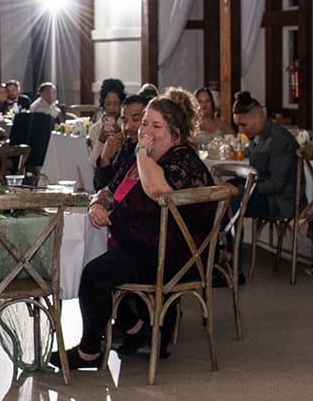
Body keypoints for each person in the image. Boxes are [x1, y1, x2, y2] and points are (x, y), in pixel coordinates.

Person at [63, 89, 215, 366]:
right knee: (99, 260)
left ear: (176, 134)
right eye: (145, 124)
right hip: (144, 247)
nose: (145, 131)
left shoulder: (182, 161)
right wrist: (97, 204)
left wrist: (143, 151)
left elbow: (158, 191)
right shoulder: (139, 160)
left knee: (96, 274)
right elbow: (108, 189)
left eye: (156, 126)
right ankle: (135, 328)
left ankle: (89, 351)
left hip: (172, 256)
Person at [232, 92, 297, 221]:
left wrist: (239, 191)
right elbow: (250, 154)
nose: (241, 130)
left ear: (257, 117)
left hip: (280, 201)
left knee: (230, 203)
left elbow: (276, 185)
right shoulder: (259, 135)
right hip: (263, 191)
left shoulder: (279, 140)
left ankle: (232, 241)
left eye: (243, 125)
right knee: (221, 194)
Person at [92, 93, 148, 192]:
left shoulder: (152, 151)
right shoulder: (125, 147)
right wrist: (105, 159)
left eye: (135, 119)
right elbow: (101, 188)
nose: (128, 127)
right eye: (124, 121)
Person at [88, 78, 126, 158]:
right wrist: (101, 141)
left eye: (116, 104)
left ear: (121, 105)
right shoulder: (94, 129)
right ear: (103, 104)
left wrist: (121, 135)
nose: (112, 108)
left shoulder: (126, 126)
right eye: (108, 104)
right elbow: (93, 162)